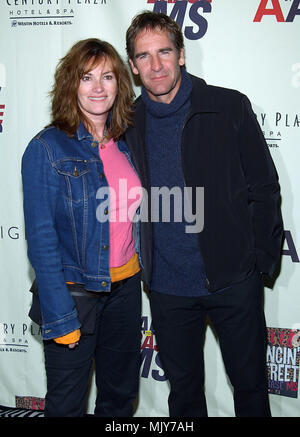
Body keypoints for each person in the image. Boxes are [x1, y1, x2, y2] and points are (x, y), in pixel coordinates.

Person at [125, 11, 283, 417]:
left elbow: (264, 188)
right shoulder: (126, 122)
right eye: (144, 56)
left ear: (182, 55)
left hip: (233, 281)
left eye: (164, 52)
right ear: (132, 65)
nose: (155, 65)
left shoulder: (227, 106)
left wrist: (260, 264)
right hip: (167, 287)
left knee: (250, 389)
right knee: (185, 396)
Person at [22, 38, 143, 417]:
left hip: (126, 290)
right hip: (75, 295)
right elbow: (42, 240)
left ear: (119, 85)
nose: (98, 87)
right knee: (68, 405)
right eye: (87, 77)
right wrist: (59, 316)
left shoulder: (126, 144)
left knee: (119, 400)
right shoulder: (46, 148)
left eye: (107, 77)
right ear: (71, 84)